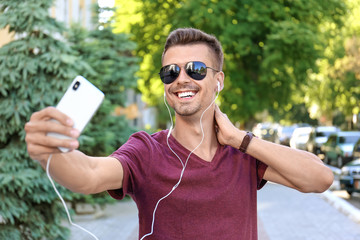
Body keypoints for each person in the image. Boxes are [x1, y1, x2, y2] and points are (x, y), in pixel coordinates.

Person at [25, 28, 334, 240]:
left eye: (195, 69)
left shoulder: (244, 154)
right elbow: (89, 174)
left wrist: (241, 139)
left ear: (219, 80)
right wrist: (50, 153)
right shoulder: (146, 151)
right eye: (170, 72)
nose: (181, 79)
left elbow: (320, 179)